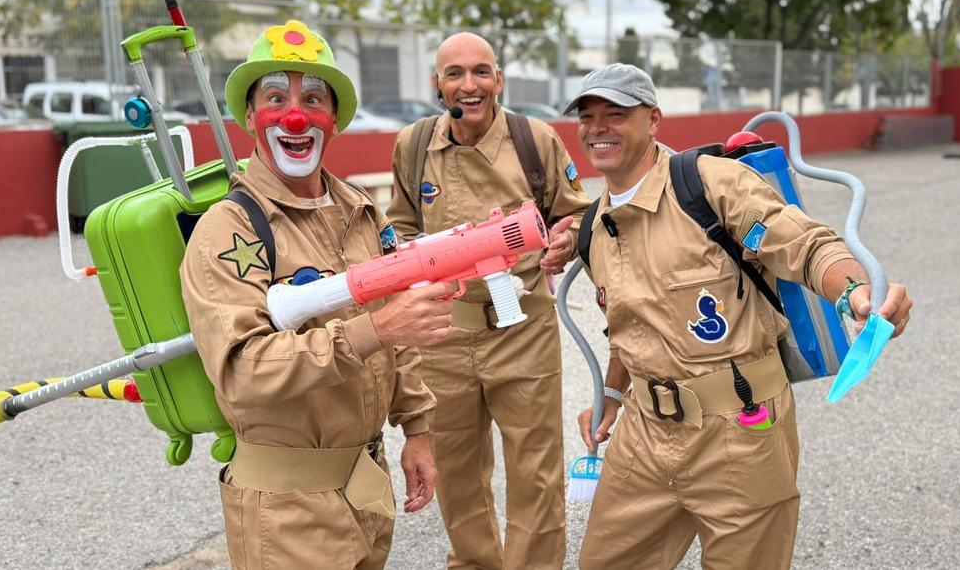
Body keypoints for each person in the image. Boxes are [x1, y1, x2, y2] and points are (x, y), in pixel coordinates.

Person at [569, 63, 913, 569]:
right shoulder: (594, 228)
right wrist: (613, 395)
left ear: (653, 119)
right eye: (587, 116)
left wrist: (854, 293)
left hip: (741, 432)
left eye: (616, 114)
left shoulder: (710, 185)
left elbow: (805, 246)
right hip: (643, 436)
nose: (598, 127)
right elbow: (630, 329)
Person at [180, 20, 454, 569]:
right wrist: (375, 330)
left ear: (333, 119)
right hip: (287, 512)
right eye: (275, 98)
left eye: (312, 99)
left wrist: (417, 430)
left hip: (365, 486)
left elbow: (397, 326)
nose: (295, 116)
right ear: (251, 117)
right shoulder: (230, 229)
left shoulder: (359, 210)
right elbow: (243, 369)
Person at [386, 32, 591, 569]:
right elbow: (398, 227)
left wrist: (566, 239)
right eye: (454, 73)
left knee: (536, 472)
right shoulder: (413, 145)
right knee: (456, 472)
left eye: (481, 71)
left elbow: (575, 212)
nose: (469, 84)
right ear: (437, 84)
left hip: (524, 329)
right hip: (444, 337)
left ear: (499, 79)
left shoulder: (534, 140)